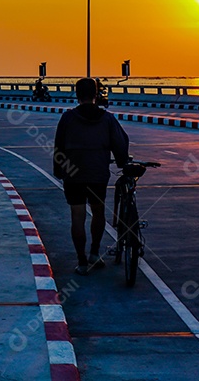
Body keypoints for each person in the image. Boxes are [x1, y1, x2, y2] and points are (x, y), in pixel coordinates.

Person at [53, 77, 131, 275]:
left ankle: (81, 262)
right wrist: (123, 162)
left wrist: (58, 170)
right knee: (98, 212)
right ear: (95, 94)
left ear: (77, 94)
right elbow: (120, 142)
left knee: (77, 216)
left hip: (73, 174)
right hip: (97, 173)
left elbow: (58, 146)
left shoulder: (68, 118)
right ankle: (95, 253)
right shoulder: (107, 119)